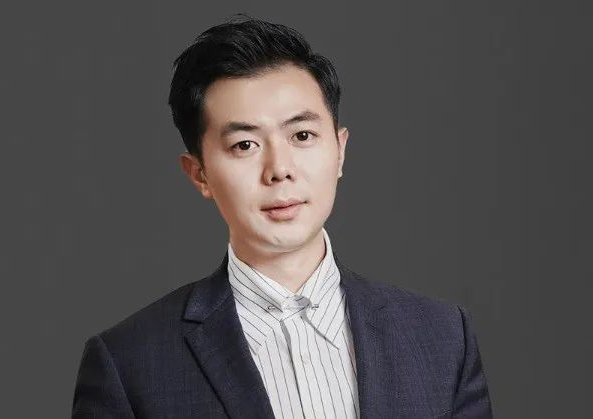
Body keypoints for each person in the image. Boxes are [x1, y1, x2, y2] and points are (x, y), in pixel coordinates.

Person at [71, 15, 493, 419]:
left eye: (302, 135)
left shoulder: (442, 338)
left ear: (340, 150)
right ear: (199, 173)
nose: (279, 169)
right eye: (244, 145)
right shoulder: (128, 364)